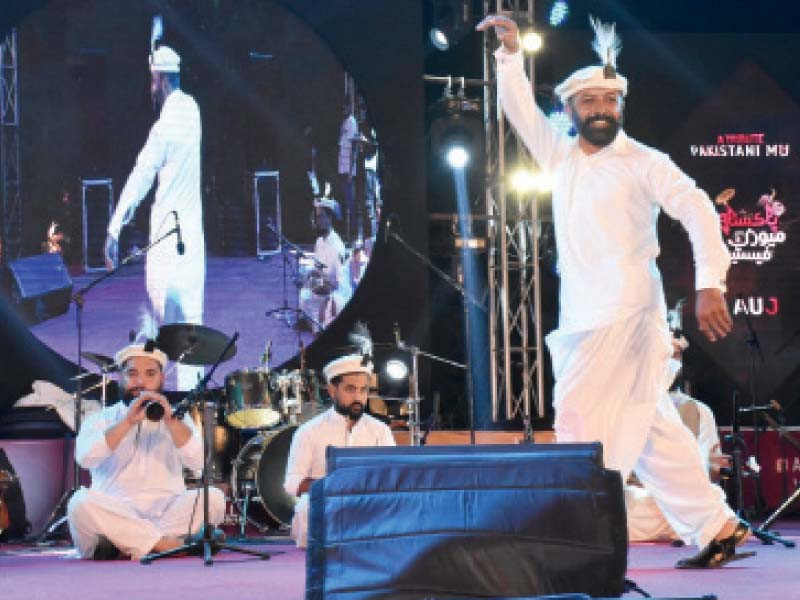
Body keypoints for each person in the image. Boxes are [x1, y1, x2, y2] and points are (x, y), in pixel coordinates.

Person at [477, 15, 748, 568]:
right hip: (583, 315)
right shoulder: (559, 156)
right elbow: (520, 111)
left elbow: (697, 210)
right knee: (651, 430)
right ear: (572, 110)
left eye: (609, 99)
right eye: (589, 100)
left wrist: (709, 284)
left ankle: (574, 540)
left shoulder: (645, 162)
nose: (601, 107)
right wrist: (509, 55)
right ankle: (717, 525)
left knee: (578, 419)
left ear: (620, 107)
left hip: (629, 314)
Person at [104, 45, 205, 391]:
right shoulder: (193, 109)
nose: (150, 89)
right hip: (193, 241)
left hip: (166, 239)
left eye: (151, 82)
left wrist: (114, 227)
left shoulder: (163, 128)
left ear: (159, 80)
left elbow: (141, 175)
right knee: (192, 329)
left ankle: (159, 395)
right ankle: (190, 402)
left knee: (164, 323)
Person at [66, 342, 225, 560]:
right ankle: (166, 545)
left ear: (162, 379)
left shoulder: (177, 419)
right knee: (80, 503)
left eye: (150, 374)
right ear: (120, 378)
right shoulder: (100, 418)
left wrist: (171, 421)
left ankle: (124, 543)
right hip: (115, 512)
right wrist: (127, 422)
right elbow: (85, 458)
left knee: (214, 499)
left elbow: (199, 464)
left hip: (166, 513)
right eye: (132, 374)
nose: (140, 382)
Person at [283, 354, 395, 548]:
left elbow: (393, 474)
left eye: (363, 390)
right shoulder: (309, 431)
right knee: (306, 508)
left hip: (367, 502)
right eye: (351, 389)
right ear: (332, 390)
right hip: (326, 502)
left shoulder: (380, 430)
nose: (358, 397)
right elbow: (292, 483)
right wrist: (334, 485)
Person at [627, 338, 729, 542]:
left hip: (677, 500)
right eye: (664, 356)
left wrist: (711, 468)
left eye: (674, 357)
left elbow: (703, 471)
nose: (669, 363)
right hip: (635, 500)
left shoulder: (698, 410)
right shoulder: (626, 405)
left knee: (699, 504)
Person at [299, 197, 352, 332]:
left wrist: (325, 288)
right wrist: (308, 275)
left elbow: (341, 283)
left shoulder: (337, 246)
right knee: (304, 295)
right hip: (322, 285)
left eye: (321, 217)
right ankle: (314, 324)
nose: (317, 221)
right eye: (316, 217)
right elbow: (317, 267)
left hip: (335, 291)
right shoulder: (319, 241)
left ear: (330, 218)